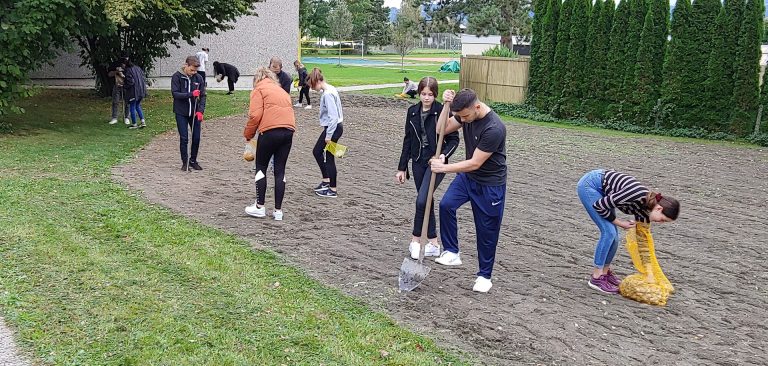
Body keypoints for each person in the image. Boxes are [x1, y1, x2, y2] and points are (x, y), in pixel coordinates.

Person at [429, 88, 507, 293]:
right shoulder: (466, 116)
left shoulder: (494, 128)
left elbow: (475, 163)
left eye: (464, 116)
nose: (462, 120)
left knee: (486, 231)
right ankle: (452, 252)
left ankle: (484, 276)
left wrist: (443, 168)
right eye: (460, 116)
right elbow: (441, 129)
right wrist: (445, 105)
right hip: (467, 179)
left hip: (490, 184)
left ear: (477, 107)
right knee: (446, 205)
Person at [576, 169, 680, 294]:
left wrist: (650, 274)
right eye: (663, 220)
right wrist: (620, 223)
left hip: (603, 192)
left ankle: (605, 273)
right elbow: (600, 205)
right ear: (659, 208)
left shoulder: (645, 213)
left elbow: (643, 244)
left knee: (614, 237)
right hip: (590, 184)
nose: (661, 223)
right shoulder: (635, 195)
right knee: (609, 232)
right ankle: (596, 278)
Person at [396, 77, 460, 260]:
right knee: (426, 200)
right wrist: (402, 168)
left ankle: (415, 240)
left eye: (430, 95)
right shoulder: (412, 111)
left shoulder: (442, 110)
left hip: (435, 164)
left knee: (422, 200)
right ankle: (433, 243)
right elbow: (407, 140)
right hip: (418, 162)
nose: (426, 98)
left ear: (435, 95)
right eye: (423, 94)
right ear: (419, 94)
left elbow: (454, 139)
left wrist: (443, 155)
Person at [243, 67, 296, 221]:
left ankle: (259, 206)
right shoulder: (281, 91)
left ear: (257, 79)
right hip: (288, 131)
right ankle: (278, 211)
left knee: (261, 167)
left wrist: (248, 135)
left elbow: (255, 115)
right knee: (280, 170)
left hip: (270, 131)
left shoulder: (258, 90)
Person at [308, 68, 343, 198]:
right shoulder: (331, 89)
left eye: (312, 85)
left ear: (317, 81)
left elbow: (333, 117)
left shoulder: (327, 94)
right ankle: (326, 181)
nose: (312, 89)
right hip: (334, 127)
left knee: (326, 156)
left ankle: (332, 189)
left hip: (333, 128)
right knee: (319, 152)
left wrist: (328, 136)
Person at [171, 56, 207, 171]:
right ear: (186, 65)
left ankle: (193, 160)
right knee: (184, 138)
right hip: (181, 112)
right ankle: (185, 162)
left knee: (196, 138)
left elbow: (203, 96)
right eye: (192, 70)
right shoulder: (177, 77)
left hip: (195, 112)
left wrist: (201, 110)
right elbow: (175, 94)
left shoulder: (198, 78)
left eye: (195, 70)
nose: (194, 72)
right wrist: (191, 94)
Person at [123, 58, 147, 129]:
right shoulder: (138, 68)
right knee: (138, 106)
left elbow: (131, 82)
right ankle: (143, 122)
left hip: (134, 92)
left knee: (132, 107)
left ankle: (134, 124)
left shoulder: (128, 70)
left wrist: (124, 86)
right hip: (141, 90)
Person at [107, 54, 130, 125]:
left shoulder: (129, 65)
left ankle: (127, 117)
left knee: (127, 102)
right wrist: (117, 72)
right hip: (117, 85)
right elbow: (109, 74)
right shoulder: (115, 64)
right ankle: (114, 118)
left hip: (126, 85)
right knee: (115, 101)